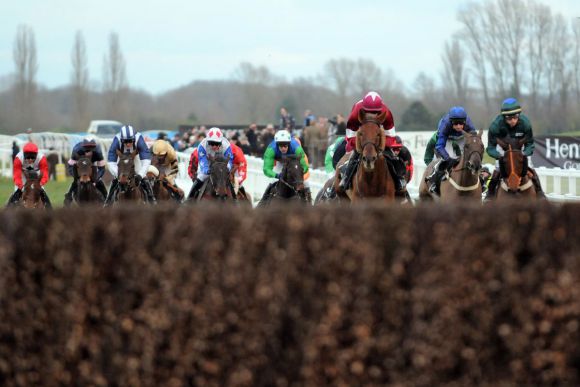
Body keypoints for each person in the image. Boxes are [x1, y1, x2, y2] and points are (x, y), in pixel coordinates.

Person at [338, 91, 406, 194]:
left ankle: (399, 180)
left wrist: (379, 146)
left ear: (380, 109)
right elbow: (350, 133)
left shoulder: (386, 112)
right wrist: (360, 145)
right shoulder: (357, 109)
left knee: (391, 156)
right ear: (363, 109)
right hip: (360, 133)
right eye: (369, 112)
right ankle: (346, 179)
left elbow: (391, 135)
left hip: (377, 134)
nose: (372, 115)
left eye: (375, 112)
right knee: (354, 155)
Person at [484, 98, 545, 200]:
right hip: (503, 149)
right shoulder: (495, 126)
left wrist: (525, 153)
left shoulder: (526, 123)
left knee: (530, 166)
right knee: (498, 168)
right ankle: (490, 194)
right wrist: (499, 156)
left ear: (519, 114)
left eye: (515, 117)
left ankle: (540, 193)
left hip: (520, 147)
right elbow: (490, 148)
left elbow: (530, 143)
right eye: (509, 118)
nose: (512, 120)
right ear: (504, 117)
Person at [426, 106, 477, 195]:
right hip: (448, 138)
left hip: (462, 136)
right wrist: (447, 158)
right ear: (451, 122)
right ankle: (434, 182)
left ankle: (480, 180)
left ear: (465, 122)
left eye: (461, 123)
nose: (458, 126)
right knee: (448, 159)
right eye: (456, 124)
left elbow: (473, 141)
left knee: (469, 157)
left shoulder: (469, 125)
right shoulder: (445, 125)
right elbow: (439, 146)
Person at [105, 124, 156, 205]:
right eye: (125, 141)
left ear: (134, 139)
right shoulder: (116, 140)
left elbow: (146, 160)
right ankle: (108, 201)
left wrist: (140, 175)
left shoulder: (139, 139)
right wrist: (118, 175)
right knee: (116, 179)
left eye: (130, 141)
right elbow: (111, 162)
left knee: (141, 175)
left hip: (135, 158)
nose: (128, 144)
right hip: (122, 158)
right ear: (121, 140)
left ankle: (151, 199)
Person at [259, 129, 311, 203]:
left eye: (285, 146)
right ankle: (263, 202)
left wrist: (299, 176)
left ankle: (308, 203)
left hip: (294, 162)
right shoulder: (271, 150)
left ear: (289, 144)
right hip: (280, 163)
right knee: (273, 181)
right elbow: (266, 170)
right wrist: (277, 175)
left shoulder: (297, 148)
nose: (283, 148)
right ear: (277, 144)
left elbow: (305, 166)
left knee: (306, 182)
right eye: (281, 146)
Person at [187, 127, 235, 201]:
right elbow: (203, 161)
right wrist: (207, 170)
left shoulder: (227, 145)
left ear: (221, 142)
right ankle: (189, 199)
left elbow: (230, 160)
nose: (214, 146)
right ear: (207, 141)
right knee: (201, 177)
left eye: (217, 144)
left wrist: (227, 168)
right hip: (207, 165)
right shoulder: (202, 146)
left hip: (221, 165)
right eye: (211, 143)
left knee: (228, 180)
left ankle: (234, 201)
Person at [64, 136, 108, 206]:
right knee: (75, 183)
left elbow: (102, 168)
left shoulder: (98, 151)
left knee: (100, 182)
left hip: (92, 166)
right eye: (87, 149)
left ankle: (107, 200)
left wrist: (95, 179)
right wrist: (77, 177)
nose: (89, 152)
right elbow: (70, 166)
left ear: (94, 148)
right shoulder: (77, 150)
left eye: (91, 149)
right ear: (83, 147)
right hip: (80, 166)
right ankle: (68, 199)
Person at [7, 142, 52, 208]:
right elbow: (17, 176)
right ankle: (8, 209)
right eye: (28, 157)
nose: (30, 160)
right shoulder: (18, 158)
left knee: (43, 194)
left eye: (33, 157)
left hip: (37, 176)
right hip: (23, 176)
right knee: (16, 193)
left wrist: (40, 184)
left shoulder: (42, 158)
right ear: (24, 155)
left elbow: (45, 174)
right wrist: (21, 186)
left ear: (36, 155)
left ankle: (50, 210)